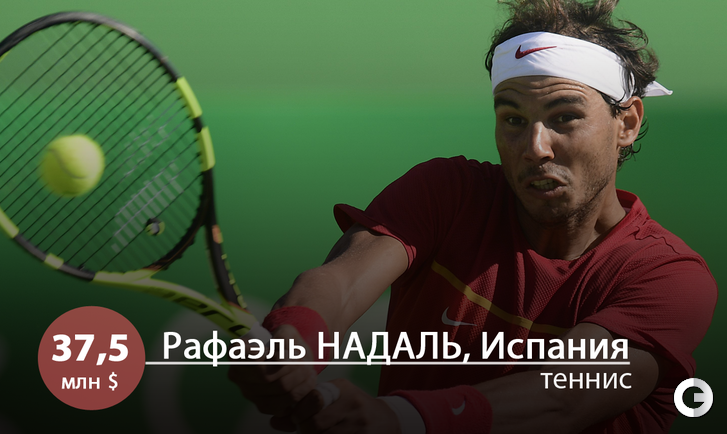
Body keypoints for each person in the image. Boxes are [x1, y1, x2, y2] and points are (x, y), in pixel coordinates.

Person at [228, 1, 718, 432]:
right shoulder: (445, 193)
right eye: (513, 119)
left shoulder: (669, 277)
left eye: (564, 117)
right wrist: (296, 341)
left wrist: (399, 419)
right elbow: (341, 281)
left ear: (626, 122)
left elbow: (564, 396)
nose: (535, 147)